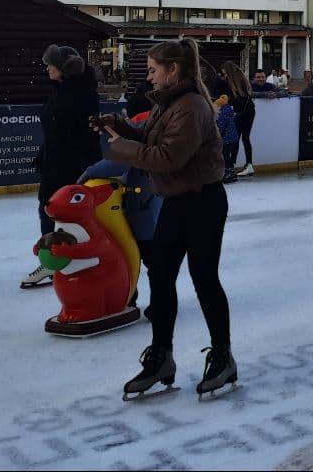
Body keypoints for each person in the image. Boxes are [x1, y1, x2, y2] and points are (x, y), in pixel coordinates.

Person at [95, 38, 235, 400]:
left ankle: (223, 356)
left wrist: (120, 148)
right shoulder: (170, 104)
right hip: (177, 199)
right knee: (161, 274)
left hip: (203, 201)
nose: (150, 77)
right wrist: (121, 129)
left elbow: (168, 157)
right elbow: (151, 139)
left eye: (154, 70)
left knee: (204, 278)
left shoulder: (191, 107)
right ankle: (162, 357)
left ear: (174, 70)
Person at [24, 45, 101, 289]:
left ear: (64, 69)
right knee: (48, 210)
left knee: (58, 212)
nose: (48, 69)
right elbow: (55, 132)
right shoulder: (61, 91)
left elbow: (80, 136)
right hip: (55, 162)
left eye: (52, 65)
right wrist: (43, 154)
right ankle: (55, 259)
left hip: (70, 167)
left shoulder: (81, 95)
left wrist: (81, 169)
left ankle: (57, 261)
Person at [79, 157, 162, 313]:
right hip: (144, 209)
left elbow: (118, 161)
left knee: (152, 261)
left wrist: (86, 175)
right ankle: (129, 297)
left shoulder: (144, 141)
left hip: (146, 212)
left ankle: (159, 302)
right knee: (134, 260)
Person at [220, 62, 256, 179]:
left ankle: (233, 164)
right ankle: (245, 164)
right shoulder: (241, 81)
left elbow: (236, 99)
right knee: (243, 137)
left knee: (238, 137)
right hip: (246, 111)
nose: (224, 75)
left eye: (225, 73)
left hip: (242, 113)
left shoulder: (234, 83)